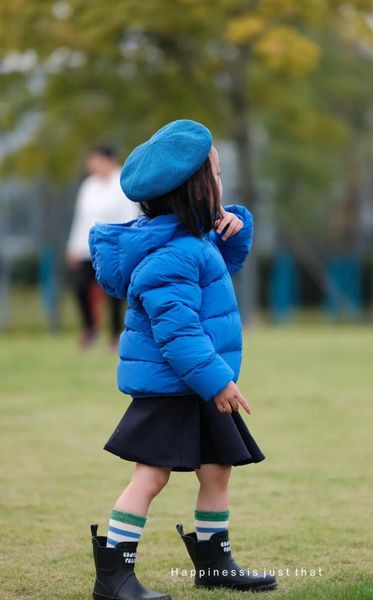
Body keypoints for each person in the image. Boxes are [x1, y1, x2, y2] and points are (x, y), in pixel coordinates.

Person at [88, 119, 277, 600]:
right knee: (150, 477)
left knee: (217, 469)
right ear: (194, 191)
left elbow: (223, 266)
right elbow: (180, 334)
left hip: (195, 384)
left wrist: (233, 227)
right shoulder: (168, 257)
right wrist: (218, 382)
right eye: (215, 175)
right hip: (174, 386)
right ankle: (114, 576)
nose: (221, 182)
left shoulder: (192, 242)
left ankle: (214, 563)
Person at [66, 145, 138, 348]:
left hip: (115, 246)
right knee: (80, 286)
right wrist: (73, 246)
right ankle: (90, 329)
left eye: (94, 159)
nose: (91, 164)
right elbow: (81, 218)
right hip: (88, 248)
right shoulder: (89, 186)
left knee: (114, 292)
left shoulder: (123, 182)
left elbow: (130, 216)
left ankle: (115, 335)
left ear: (107, 160)